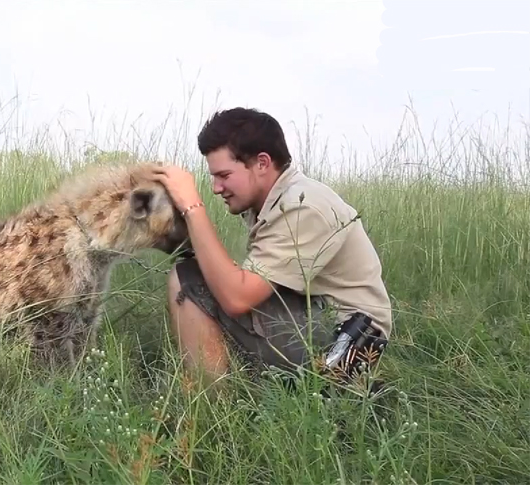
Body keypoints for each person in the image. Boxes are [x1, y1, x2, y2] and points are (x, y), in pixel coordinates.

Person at [147, 107, 392, 388]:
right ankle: (244, 398)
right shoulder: (272, 201)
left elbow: (237, 298)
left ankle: (214, 413)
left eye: (224, 175)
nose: (216, 187)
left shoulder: (302, 205)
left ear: (262, 163)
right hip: (317, 319)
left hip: (346, 344)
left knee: (187, 280)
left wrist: (193, 207)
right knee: (207, 277)